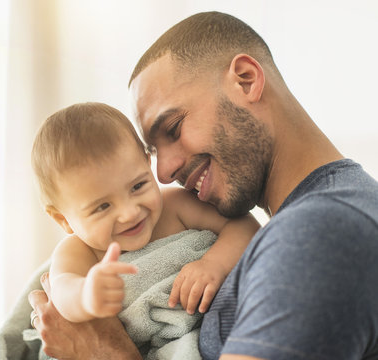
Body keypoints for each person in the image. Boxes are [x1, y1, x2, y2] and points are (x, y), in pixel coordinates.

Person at [28, 11, 378, 360]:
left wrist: (107, 353)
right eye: (152, 151)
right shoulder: (327, 218)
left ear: (245, 80)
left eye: (175, 128)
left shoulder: (319, 234)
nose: (163, 173)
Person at [30, 102, 259, 324]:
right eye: (103, 207)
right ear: (63, 219)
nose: (130, 213)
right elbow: (61, 293)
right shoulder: (79, 251)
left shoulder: (176, 205)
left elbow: (243, 226)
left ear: (147, 163)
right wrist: (87, 295)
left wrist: (214, 263)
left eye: (138, 186)